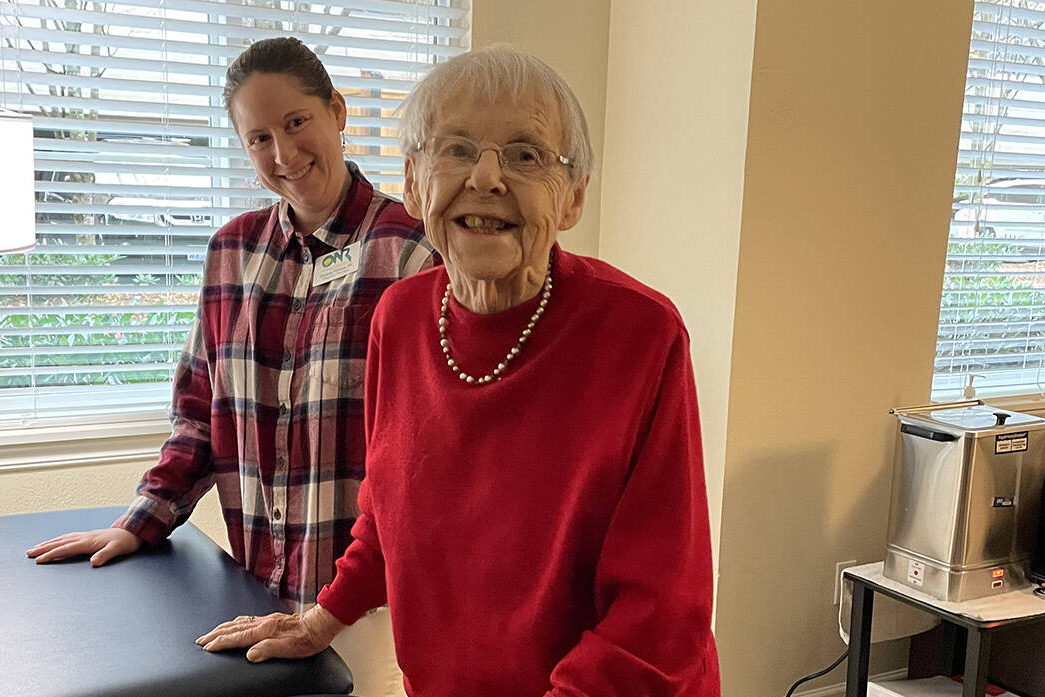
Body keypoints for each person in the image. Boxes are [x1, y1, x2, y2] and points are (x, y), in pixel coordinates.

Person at [195, 45, 721, 696]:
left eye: (527, 154)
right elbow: (387, 516)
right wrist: (320, 618)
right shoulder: (401, 316)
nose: (487, 178)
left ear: (574, 197)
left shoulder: (640, 334)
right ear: (414, 183)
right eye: (457, 149)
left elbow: (659, 617)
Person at [26, 37, 437, 697]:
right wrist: (141, 520)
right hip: (254, 591)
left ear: (337, 111)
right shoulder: (231, 252)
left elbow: (425, 462)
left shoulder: (413, 250)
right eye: (258, 138)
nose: (283, 153)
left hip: (370, 609)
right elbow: (197, 415)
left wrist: (338, 605)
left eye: (297, 122)